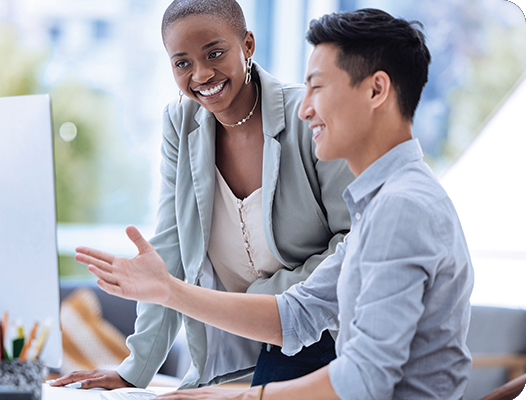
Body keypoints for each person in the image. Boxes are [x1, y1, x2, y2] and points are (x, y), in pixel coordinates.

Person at [77, 8, 475, 400]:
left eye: (318, 88)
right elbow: (299, 314)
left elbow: (364, 378)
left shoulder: (400, 208)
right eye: (183, 62)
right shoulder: (382, 202)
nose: (304, 108)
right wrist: (167, 292)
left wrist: (249, 398)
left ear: (376, 91)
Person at [51, 0, 354, 390]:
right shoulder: (180, 124)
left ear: (247, 45)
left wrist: (263, 300)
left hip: (321, 334)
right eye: (182, 63)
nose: (201, 74)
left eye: (215, 53)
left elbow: (356, 242)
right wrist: (134, 371)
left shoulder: (308, 117)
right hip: (231, 346)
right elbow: (169, 249)